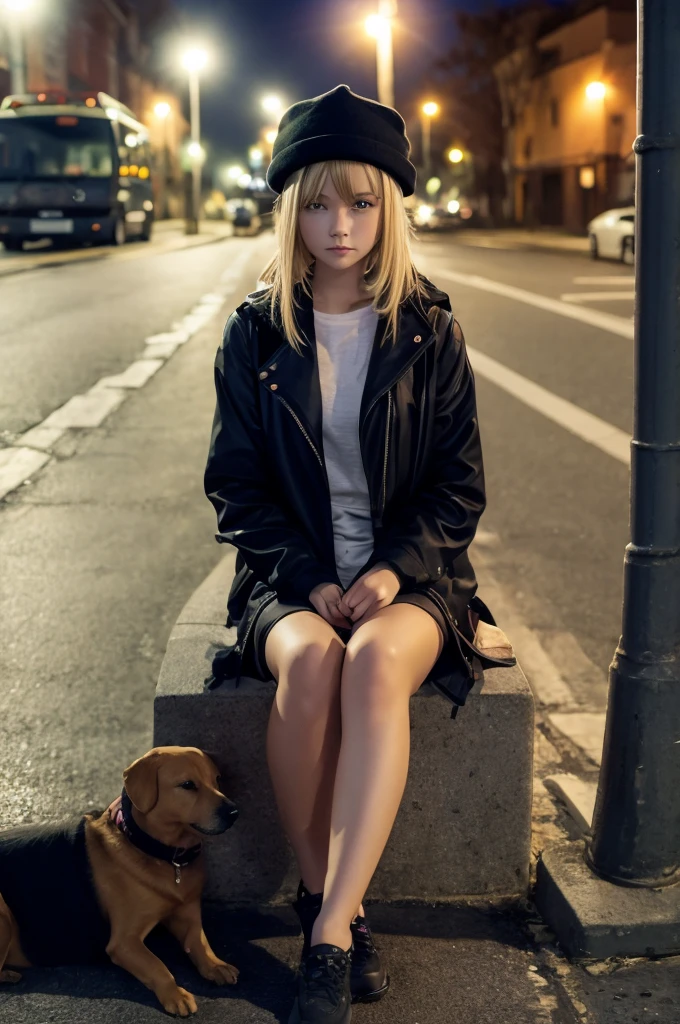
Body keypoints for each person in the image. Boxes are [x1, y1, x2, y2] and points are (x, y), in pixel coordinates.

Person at [204, 84, 514, 1024]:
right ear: (295, 208)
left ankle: (333, 934)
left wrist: (385, 573)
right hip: (290, 575)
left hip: (411, 578)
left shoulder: (430, 326)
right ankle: (321, 893)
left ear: (390, 208)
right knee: (311, 663)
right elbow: (236, 490)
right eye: (323, 203)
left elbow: (459, 486)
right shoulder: (255, 333)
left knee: (374, 664)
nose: (342, 225)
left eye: (363, 202)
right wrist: (311, 580)